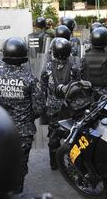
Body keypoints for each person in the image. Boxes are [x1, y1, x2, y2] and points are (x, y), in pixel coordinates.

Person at [0, 37, 45, 191]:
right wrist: (26, 117)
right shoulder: (30, 79)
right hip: (23, 133)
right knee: (19, 167)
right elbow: (39, 108)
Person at [40, 38, 81, 170]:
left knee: (53, 136)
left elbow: (42, 87)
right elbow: (78, 86)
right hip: (69, 108)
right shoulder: (74, 66)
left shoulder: (47, 67)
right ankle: (73, 163)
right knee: (73, 136)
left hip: (53, 108)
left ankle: (54, 164)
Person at [82, 27, 107, 97]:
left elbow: (81, 75)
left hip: (89, 94)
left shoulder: (84, 57)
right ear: (105, 40)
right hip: (106, 94)